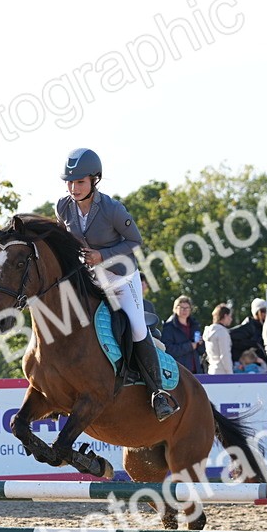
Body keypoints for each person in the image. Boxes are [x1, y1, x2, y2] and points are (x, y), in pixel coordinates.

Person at [55, 147, 178, 421]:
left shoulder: (112, 209)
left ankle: (158, 393)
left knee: (135, 327)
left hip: (120, 277)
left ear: (94, 180)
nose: (73, 188)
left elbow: (135, 241)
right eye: (70, 182)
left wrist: (102, 256)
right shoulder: (63, 206)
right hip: (89, 278)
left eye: (80, 182)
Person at [163, 295, 203, 374]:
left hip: (196, 371)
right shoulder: (169, 327)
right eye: (181, 307)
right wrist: (190, 346)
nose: (184, 310)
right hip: (178, 372)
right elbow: (167, 350)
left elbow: (201, 351)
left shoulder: (195, 325)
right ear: (175, 309)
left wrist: (201, 344)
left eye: (187, 308)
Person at [229, 298, 267, 371]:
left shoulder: (265, 327)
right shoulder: (248, 328)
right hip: (251, 368)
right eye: (263, 311)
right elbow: (231, 338)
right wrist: (252, 344)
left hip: (263, 366)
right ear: (257, 312)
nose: (265, 314)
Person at [203, 304, 234, 374]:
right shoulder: (222, 332)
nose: (231, 319)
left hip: (211, 370)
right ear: (225, 316)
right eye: (230, 316)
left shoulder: (209, 332)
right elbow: (225, 354)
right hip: (222, 372)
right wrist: (230, 372)